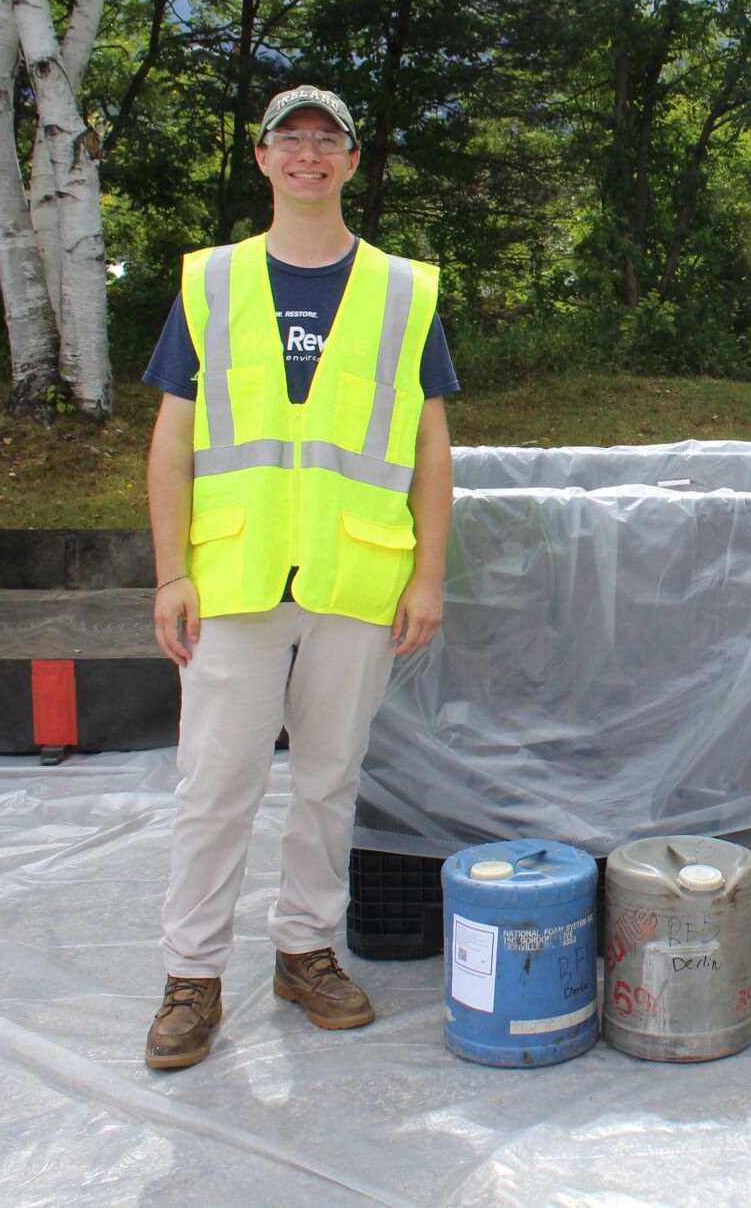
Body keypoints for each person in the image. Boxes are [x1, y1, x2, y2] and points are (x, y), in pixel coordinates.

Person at [141, 85, 457, 1068]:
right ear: (263, 158)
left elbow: (430, 447)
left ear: (353, 161)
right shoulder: (212, 282)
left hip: (355, 581)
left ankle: (304, 950)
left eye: (329, 140)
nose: (309, 155)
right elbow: (171, 439)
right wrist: (168, 574)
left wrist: (427, 575)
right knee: (215, 783)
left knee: (327, 779)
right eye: (292, 140)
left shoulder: (404, 292)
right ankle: (192, 976)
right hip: (231, 579)